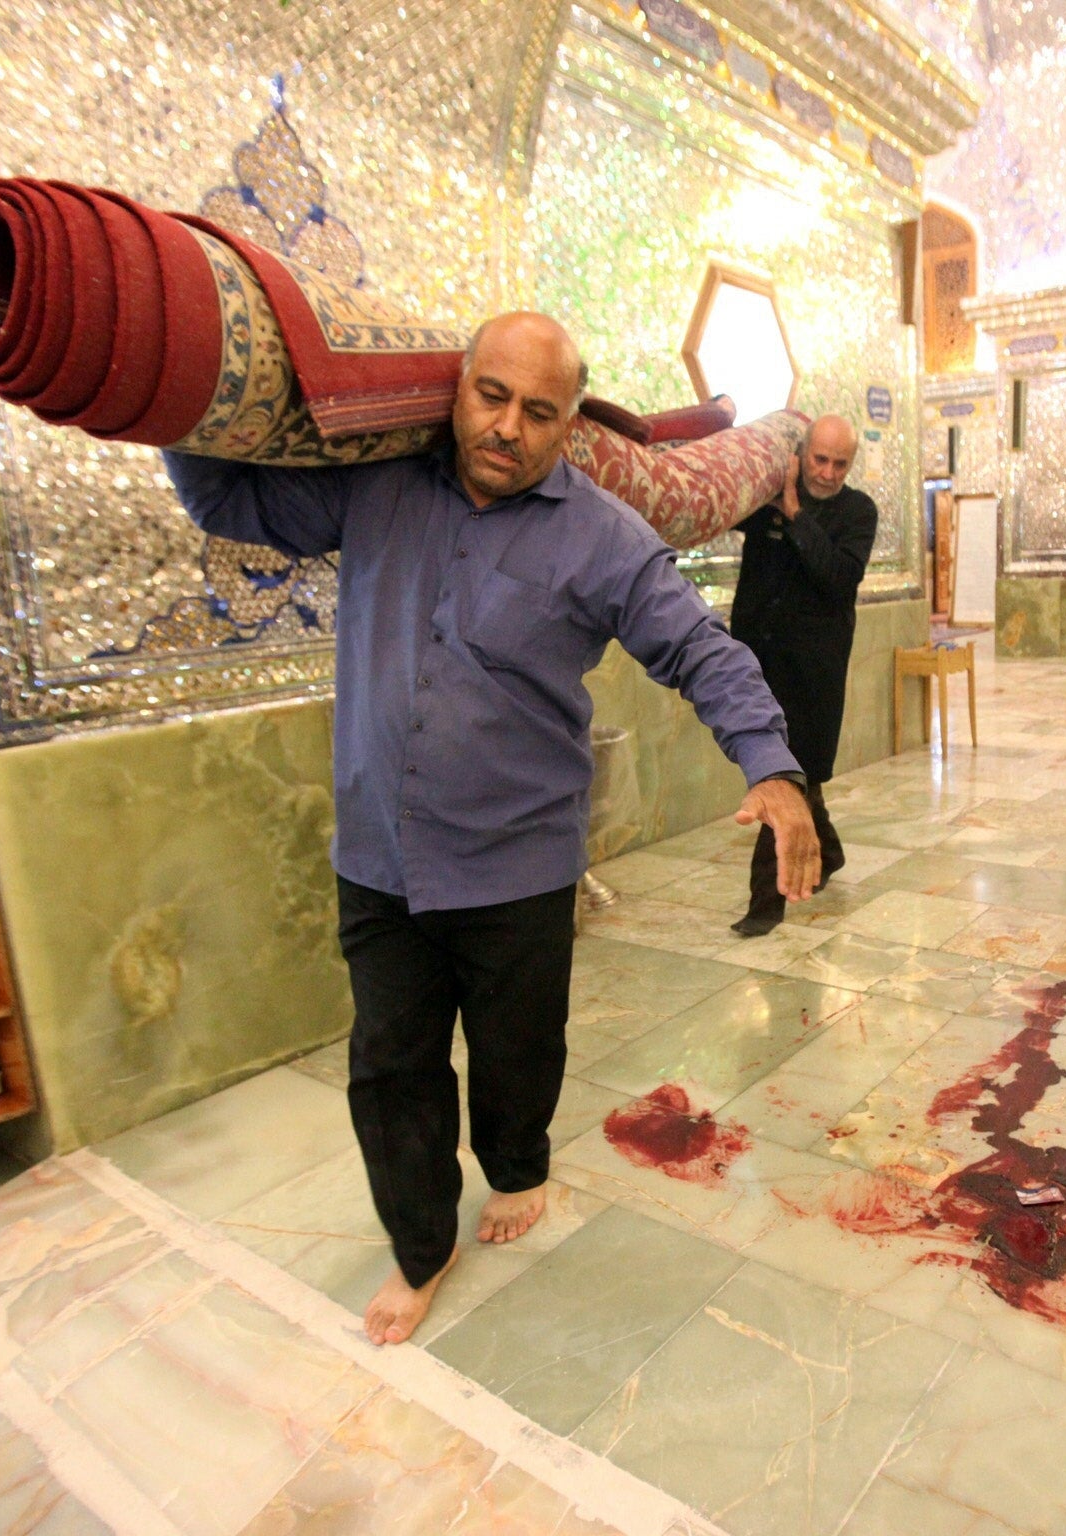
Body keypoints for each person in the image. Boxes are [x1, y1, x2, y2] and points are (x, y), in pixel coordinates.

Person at [163, 313, 821, 1346]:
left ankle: (516, 1166)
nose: (509, 427)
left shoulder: (602, 538)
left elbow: (702, 649)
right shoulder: (379, 487)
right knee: (391, 1066)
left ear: (569, 427)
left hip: (516, 869)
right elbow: (231, 495)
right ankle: (422, 1246)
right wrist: (174, 387)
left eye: (540, 412)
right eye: (493, 396)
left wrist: (772, 768)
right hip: (381, 857)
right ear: (460, 387)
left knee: (516, 1054)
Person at [727, 416, 880, 937]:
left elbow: (839, 578)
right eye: (819, 459)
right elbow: (719, 506)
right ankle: (829, 851)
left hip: (814, 671)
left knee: (786, 776)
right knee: (802, 774)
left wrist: (794, 513)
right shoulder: (764, 499)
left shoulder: (858, 511)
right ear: (801, 453)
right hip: (758, 666)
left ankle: (764, 906)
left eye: (840, 463)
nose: (828, 472)